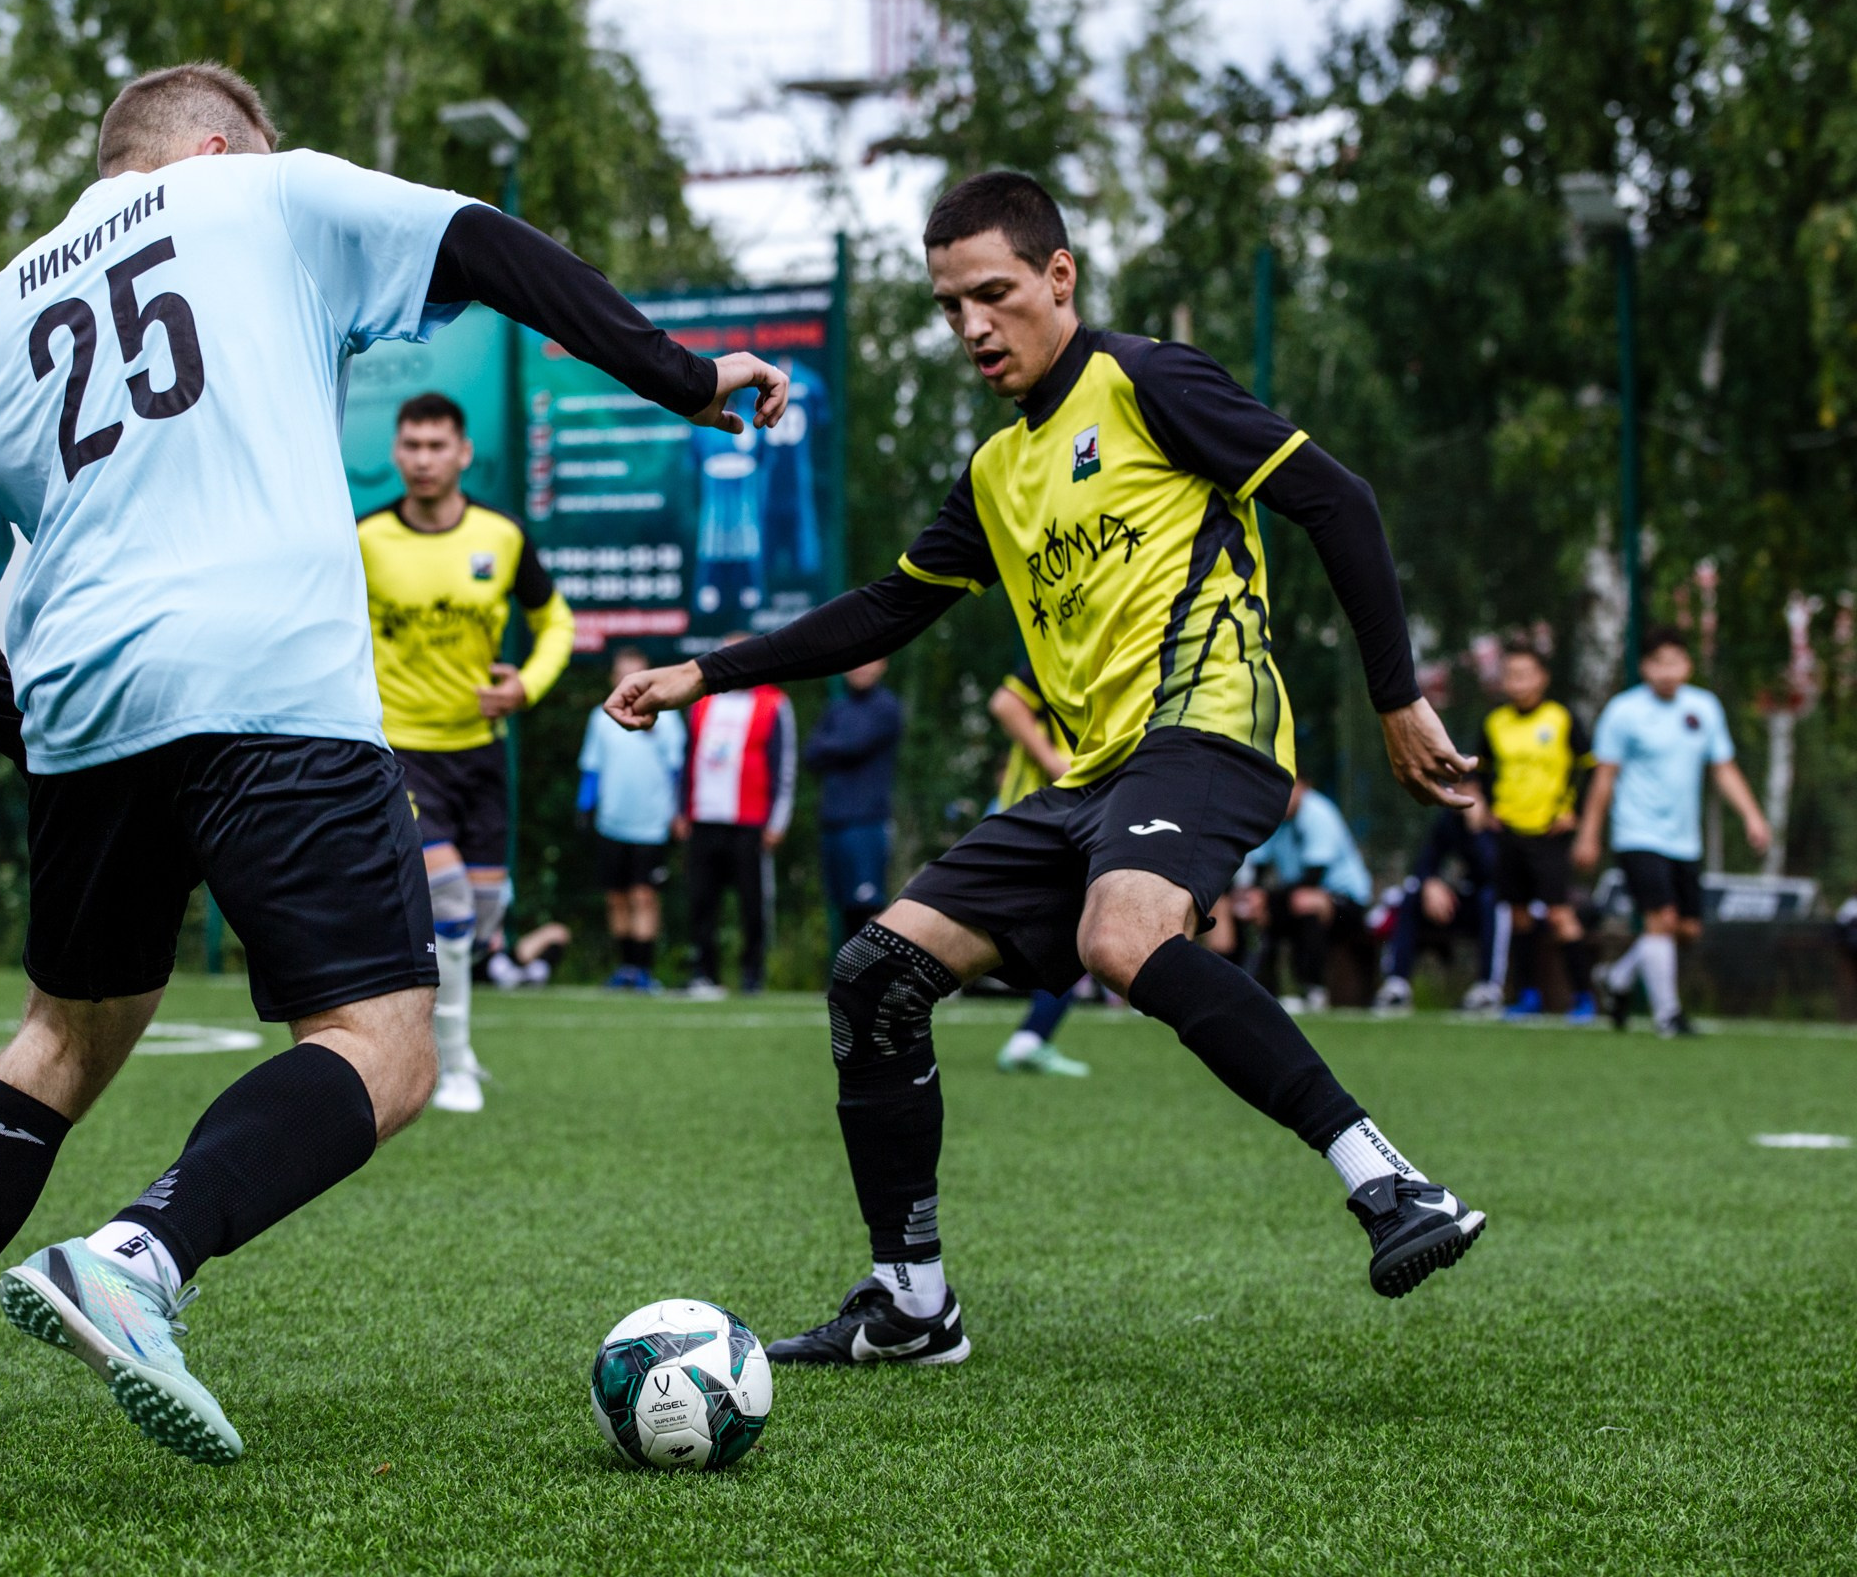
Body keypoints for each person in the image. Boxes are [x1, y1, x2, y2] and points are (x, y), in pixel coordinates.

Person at [0, 61, 787, 1462]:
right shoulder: (262, 192)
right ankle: (142, 1259)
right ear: (216, 144)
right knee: (385, 1051)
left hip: (90, 703)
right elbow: (485, 242)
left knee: (62, 1036)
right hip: (270, 679)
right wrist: (687, 374)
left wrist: (35, 733)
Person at [608, 170, 1485, 1368]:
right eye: (948, 306)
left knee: (1118, 939)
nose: (972, 325)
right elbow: (880, 611)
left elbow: (1340, 502)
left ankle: (1391, 1184)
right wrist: (701, 673)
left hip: (1210, 728)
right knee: (875, 975)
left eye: (994, 294)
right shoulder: (995, 474)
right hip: (1092, 780)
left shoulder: (1151, 383)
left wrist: (1397, 699)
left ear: (1057, 279)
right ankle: (911, 1303)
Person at [358, 390, 574, 1114]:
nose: (422, 459)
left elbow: (557, 625)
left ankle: (456, 1049)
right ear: (396, 453)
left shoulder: (501, 537)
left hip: (481, 755)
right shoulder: (364, 540)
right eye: (411, 446)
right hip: (400, 752)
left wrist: (527, 686)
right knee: (448, 901)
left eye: (435, 446)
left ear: (462, 453)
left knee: (481, 916)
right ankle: (446, 1068)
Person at [1574, 626, 1772, 1035]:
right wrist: (1590, 834)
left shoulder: (1705, 708)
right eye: (1657, 663)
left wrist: (1752, 816)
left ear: (1688, 665)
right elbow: (1604, 778)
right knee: (1660, 918)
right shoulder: (1624, 712)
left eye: (1674, 662)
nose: (1666, 671)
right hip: (1637, 834)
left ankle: (1617, 978)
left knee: (1687, 928)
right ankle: (1669, 1016)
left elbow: (1723, 767)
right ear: (1644, 667)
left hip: (1684, 838)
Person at [1478, 646, 1597, 1022]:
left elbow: (1590, 766)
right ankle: (1527, 995)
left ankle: (1584, 997)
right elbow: (1480, 769)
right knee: (1518, 915)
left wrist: (1573, 812)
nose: (1519, 682)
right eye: (1511, 674)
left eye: (1526, 674)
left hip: (1548, 831)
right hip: (1510, 831)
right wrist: (1488, 806)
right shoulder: (1495, 722)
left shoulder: (1560, 719)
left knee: (1561, 914)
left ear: (1542, 677)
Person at [985, 657, 1088, 1075]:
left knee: (1072, 936)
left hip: (1062, 817)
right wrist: (1051, 761)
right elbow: (1005, 702)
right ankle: (1031, 1037)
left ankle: (1032, 1036)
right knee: (1079, 935)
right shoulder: (1069, 649)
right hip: (1044, 815)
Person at [678, 641, 796, 997]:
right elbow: (687, 758)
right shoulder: (701, 701)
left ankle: (752, 973)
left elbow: (785, 765)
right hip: (703, 817)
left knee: (751, 902)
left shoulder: (775, 702)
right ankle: (704, 972)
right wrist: (681, 809)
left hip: (751, 821)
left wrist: (778, 821)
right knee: (701, 900)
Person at [578, 644, 686, 990]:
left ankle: (644, 970)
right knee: (617, 897)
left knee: (644, 895)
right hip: (612, 823)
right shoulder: (600, 718)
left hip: (651, 824)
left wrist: (679, 812)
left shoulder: (667, 720)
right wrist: (584, 808)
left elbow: (678, 772)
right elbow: (591, 769)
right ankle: (624, 968)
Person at [1243, 777, 1374, 1014]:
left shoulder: (1318, 813)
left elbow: (1313, 876)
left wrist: (1268, 898)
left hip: (1347, 901)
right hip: (1299, 894)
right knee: (1259, 907)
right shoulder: (1275, 815)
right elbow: (1258, 867)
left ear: (1304, 787)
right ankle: (1260, 989)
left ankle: (1314, 990)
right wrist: (1255, 898)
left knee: (1304, 902)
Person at [1374, 775, 1503, 1013]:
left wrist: (1476, 830)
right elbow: (1425, 863)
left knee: (1492, 899)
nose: (1455, 791)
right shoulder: (1448, 820)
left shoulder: (1497, 819)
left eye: (1464, 785)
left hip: (1489, 907)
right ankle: (1397, 984)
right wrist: (1430, 884)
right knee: (1412, 894)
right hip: (1454, 907)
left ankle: (1489, 987)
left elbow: (1493, 875)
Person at [807, 659, 904, 930]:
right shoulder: (837, 708)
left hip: (867, 822)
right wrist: (839, 746)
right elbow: (811, 754)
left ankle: (874, 974)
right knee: (842, 912)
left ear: (883, 665)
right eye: (856, 661)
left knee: (868, 912)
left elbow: (853, 744)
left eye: (869, 661)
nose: (860, 667)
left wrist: (833, 746)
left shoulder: (886, 707)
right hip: (832, 821)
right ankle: (845, 974)